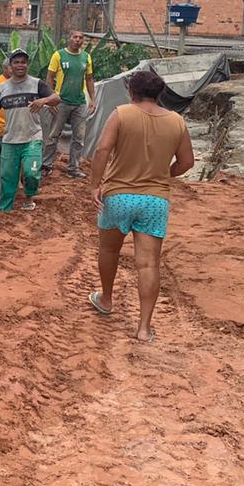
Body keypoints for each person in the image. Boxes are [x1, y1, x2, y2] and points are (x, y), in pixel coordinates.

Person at [88, 70, 195, 343]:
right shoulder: (176, 121)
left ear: (132, 93)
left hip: (118, 196)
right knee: (148, 264)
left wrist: (94, 184)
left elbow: (102, 150)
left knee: (109, 250)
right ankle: (144, 328)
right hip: (155, 201)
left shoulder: (121, 114)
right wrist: (162, 174)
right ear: (159, 94)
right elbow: (186, 163)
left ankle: (107, 299)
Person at [0, 48, 60, 212]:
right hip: (10, 139)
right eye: (16, 62)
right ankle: (5, 209)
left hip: (32, 138)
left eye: (23, 62)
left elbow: (56, 98)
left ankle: (29, 196)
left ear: (27, 64)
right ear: (10, 65)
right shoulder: (2, 88)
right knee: (8, 177)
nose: (20, 65)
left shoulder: (36, 84)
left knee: (31, 172)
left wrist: (43, 100)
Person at [42, 30, 97, 179]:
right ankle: (46, 166)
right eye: (75, 37)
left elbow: (90, 79)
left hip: (79, 102)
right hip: (61, 101)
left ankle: (73, 168)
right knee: (53, 135)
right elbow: (49, 78)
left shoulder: (86, 57)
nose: (78, 40)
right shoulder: (58, 55)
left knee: (79, 137)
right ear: (69, 38)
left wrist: (93, 99)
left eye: (81, 38)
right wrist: (50, 99)